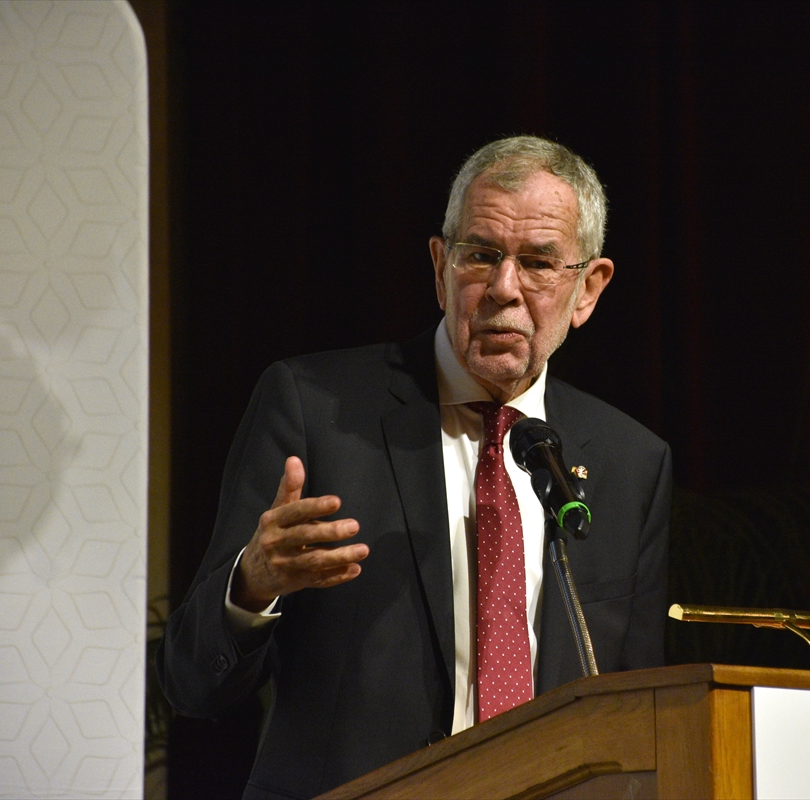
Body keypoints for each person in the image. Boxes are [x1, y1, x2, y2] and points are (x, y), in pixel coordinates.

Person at [158, 136, 671, 800]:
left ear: (587, 289)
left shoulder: (631, 462)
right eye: (480, 255)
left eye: (538, 262)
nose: (503, 289)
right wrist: (251, 587)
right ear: (439, 266)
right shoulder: (315, 410)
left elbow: (637, 711)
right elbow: (191, 683)